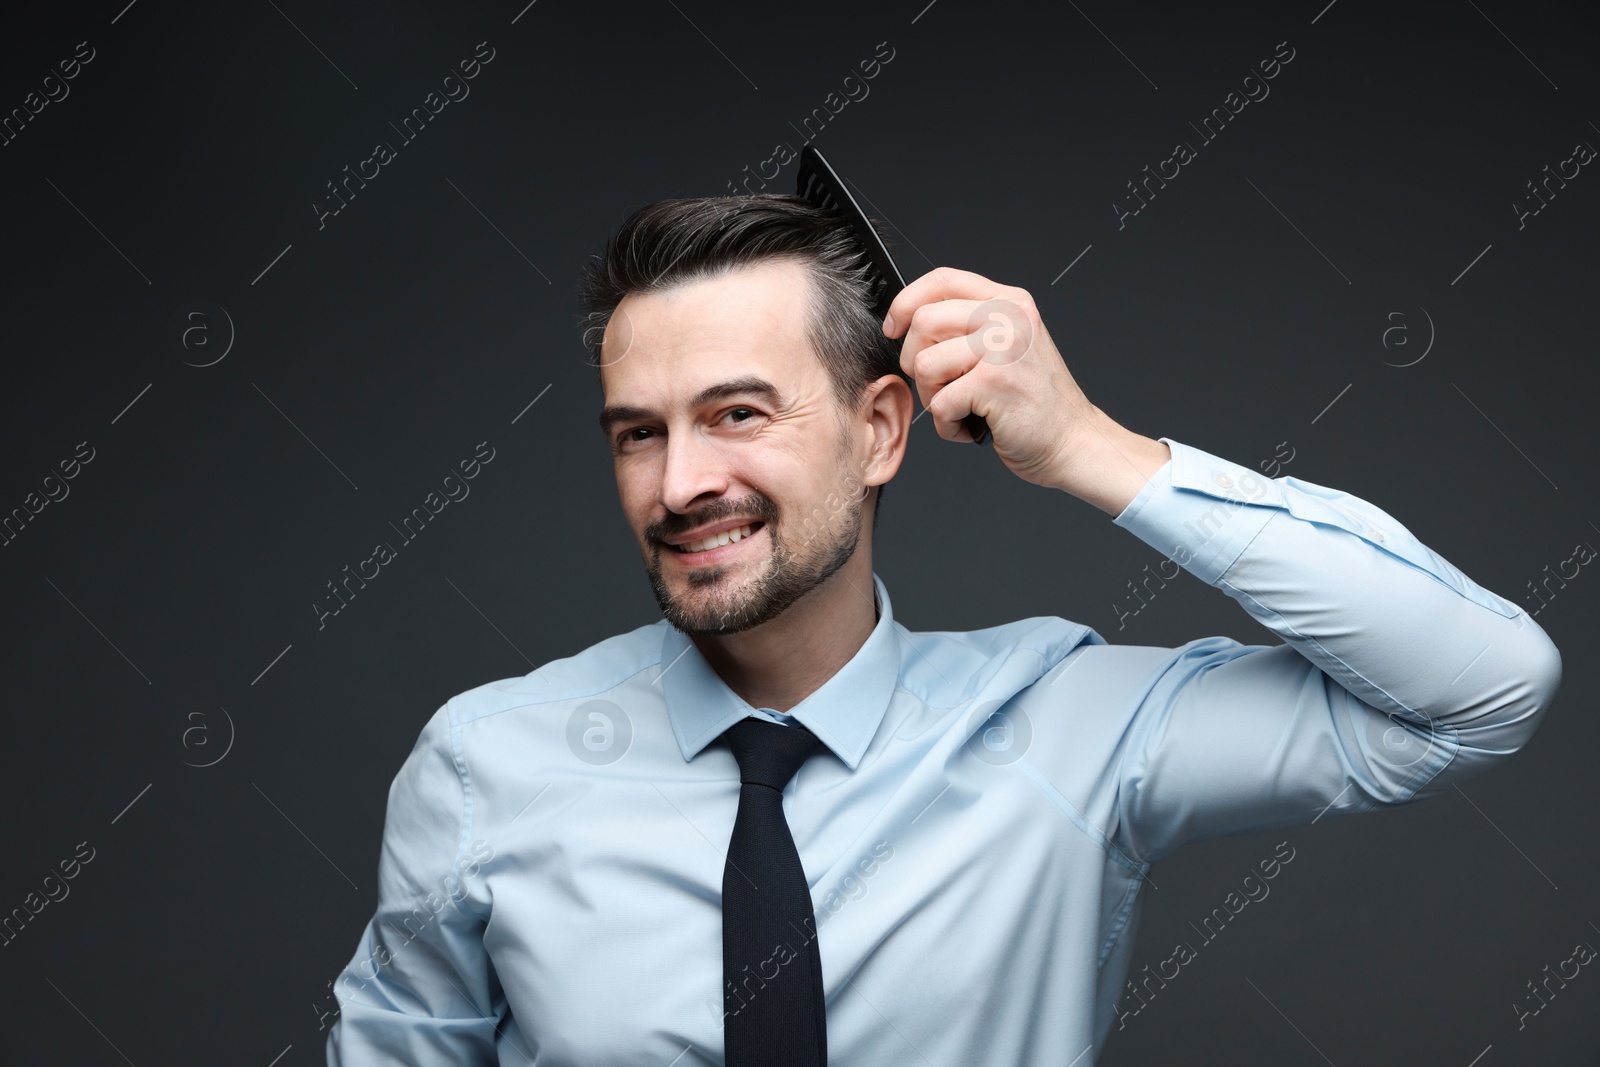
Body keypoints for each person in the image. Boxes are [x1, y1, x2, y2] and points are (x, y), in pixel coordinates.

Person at [324, 195, 1561, 1065]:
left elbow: (1482, 687)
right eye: (638, 431)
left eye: (738, 411)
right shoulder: (486, 767)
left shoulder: (1070, 731)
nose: (679, 480)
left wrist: (1086, 445)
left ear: (880, 428)